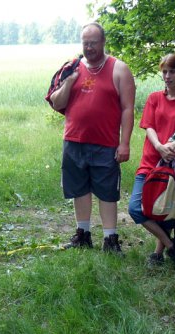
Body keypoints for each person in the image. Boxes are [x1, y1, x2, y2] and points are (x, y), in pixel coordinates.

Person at [49, 22, 136, 253]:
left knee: (107, 192)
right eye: (85, 43)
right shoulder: (72, 68)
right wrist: (69, 80)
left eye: (93, 43)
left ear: (103, 42)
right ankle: (83, 234)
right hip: (74, 141)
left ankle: (110, 239)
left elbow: (128, 109)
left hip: (106, 143)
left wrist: (124, 143)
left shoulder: (119, 69)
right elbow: (57, 102)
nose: (89, 48)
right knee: (79, 189)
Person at [128, 53, 175, 265]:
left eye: (172, 71)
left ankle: (157, 254)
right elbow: (149, 127)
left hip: (174, 164)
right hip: (150, 162)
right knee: (136, 208)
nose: (167, 76)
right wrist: (160, 146)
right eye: (164, 71)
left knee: (166, 210)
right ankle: (173, 246)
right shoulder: (154, 98)